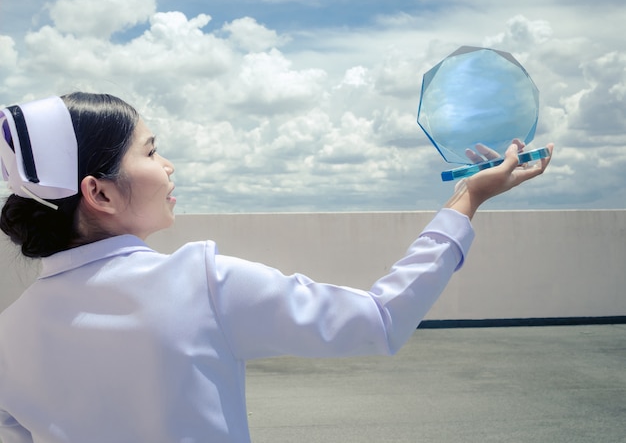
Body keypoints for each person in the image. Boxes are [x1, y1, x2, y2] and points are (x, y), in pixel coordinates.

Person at [0, 93, 553, 443]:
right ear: (97, 192)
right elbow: (379, 321)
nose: (168, 165)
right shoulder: (200, 283)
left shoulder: (10, 332)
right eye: (149, 151)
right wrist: (465, 203)